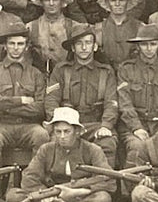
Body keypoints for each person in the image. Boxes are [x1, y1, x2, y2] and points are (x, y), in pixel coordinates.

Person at [5, 107, 114, 202]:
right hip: (50, 200)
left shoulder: (93, 150)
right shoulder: (46, 149)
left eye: (67, 131)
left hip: (80, 199)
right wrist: (51, 196)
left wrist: (76, 193)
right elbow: (29, 178)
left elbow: (109, 181)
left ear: (77, 131)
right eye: (58, 132)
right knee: (13, 195)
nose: (62, 136)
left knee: (103, 199)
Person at [44, 24, 118, 168]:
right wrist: (59, 122)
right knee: (54, 145)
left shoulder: (106, 71)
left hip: (95, 124)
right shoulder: (60, 70)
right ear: (73, 48)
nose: (84, 47)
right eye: (79, 43)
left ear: (95, 46)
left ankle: (104, 185)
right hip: (68, 124)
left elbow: (112, 102)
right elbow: (51, 99)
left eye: (88, 43)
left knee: (107, 143)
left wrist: (106, 125)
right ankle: (58, 184)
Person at [0, 21, 49, 169]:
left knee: (41, 136)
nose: (16, 48)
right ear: (5, 46)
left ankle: (32, 182)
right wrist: (22, 100)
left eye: (20, 44)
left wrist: (4, 104)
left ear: (26, 47)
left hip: (28, 125)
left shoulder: (36, 74)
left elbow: (39, 108)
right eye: (12, 44)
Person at [117, 24, 158, 167]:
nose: (148, 48)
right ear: (138, 46)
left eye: (153, 44)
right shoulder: (126, 69)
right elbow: (125, 103)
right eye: (144, 44)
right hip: (133, 125)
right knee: (137, 148)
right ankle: (131, 188)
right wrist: (137, 128)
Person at [26, 0, 82, 74]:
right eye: (47, 0)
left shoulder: (74, 26)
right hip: (38, 77)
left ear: (62, 2)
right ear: (41, 2)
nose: (51, 3)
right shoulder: (30, 27)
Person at [95, 0, 142, 68]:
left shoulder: (139, 27)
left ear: (128, 2)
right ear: (107, 3)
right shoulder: (99, 28)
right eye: (113, 0)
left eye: (122, 0)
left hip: (133, 75)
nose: (117, 4)